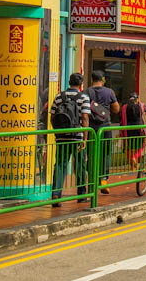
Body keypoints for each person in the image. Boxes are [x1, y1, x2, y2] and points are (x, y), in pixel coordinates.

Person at [50, 73, 91, 206]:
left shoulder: (58, 96)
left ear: (69, 82)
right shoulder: (83, 97)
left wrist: (57, 132)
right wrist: (85, 138)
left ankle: (56, 195)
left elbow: (52, 116)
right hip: (77, 137)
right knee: (79, 165)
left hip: (62, 137)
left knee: (60, 164)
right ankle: (81, 195)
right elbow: (85, 118)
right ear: (81, 84)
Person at [87, 72, 119, 191]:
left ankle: (91, 180)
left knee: (91, 153)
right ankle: (103, 179)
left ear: (92, 79)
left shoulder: (87, 92)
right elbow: (116, 109)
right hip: (105, 126)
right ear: (103, 79)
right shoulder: (109, 92)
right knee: (105, 153)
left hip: (90, 128)